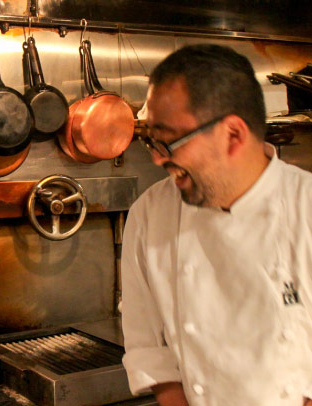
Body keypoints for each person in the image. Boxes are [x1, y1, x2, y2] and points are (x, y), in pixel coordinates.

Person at [121, 43, 312, 406]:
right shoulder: (149, 215)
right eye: (152, 142)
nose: (159, 160)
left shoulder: (306, 208)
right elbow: (148, 349)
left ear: (233, 135)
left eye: (169, 142)